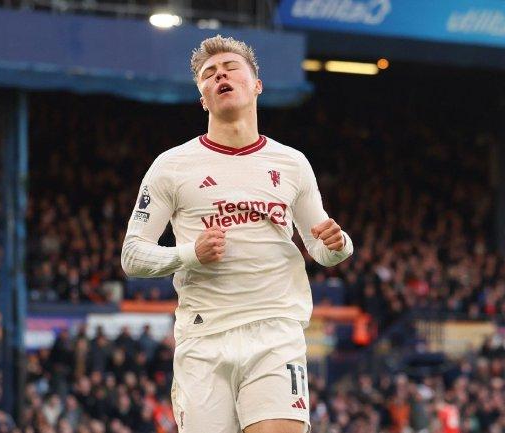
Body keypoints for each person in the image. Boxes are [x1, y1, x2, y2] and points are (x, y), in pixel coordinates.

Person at [121, 35, 354, 433]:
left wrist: (339, 245)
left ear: (257, 85)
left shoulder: (292, 163)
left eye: (230, 68)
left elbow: (320, 245)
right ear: (203, 99)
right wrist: (189, 254)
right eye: (209, 74)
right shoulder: (171, 166)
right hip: (204, 337)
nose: (220, 76)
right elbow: (132, 255)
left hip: (275, 330)